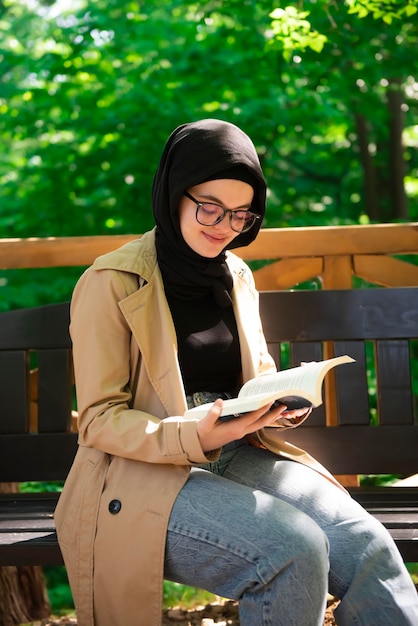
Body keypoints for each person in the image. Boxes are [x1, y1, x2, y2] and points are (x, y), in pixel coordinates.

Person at [55, 118, 418, 626]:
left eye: (241, 215)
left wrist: (278, 404)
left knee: (365, 542)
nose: (224, 226)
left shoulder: (235, 273)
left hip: (239, 447)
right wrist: (189, 433)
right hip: (142, 472)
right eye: (210, 207)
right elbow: (98, 420)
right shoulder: (111, 281)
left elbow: (255, 373)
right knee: (292, 547)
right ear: (175, 194)